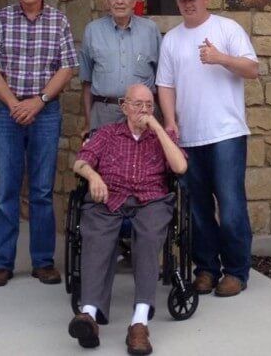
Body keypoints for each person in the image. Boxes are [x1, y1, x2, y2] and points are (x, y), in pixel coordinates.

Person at [0, 0, 78, 288]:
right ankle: (2, 263)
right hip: (8, 112)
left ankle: (43, 262)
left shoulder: (59, 21)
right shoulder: (1, 20)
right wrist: (14, 103)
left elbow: (66, 68)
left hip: (45, 112)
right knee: (6, 190)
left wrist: (39, 101)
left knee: (42, 191)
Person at [156, 0, 259, 298]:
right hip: (189, 138)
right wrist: (170, 121)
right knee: (197, 210)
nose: (188, 3)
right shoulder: (171, 39)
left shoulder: (227, 29)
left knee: (230, 206)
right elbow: (165, 85)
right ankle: (206, 269)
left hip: (226, 133)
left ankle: (236, 271)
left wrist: (220, 58)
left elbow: (252, 69)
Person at [68, 83, 187, 354]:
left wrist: (157, 128)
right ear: (123, 106)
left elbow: (180, 167)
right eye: (137, 104)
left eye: (148, 105)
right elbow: (79, 162)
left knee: (147, 239)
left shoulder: (162, 136)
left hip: (151, 200)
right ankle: (88, 315)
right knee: (96, 234)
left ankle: (139, 323)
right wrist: (93, 176)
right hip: (111, 197)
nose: (143, 110)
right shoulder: (107, 134)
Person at [79, 0, 162, 135]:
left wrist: (165, 121)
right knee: (104, 160)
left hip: (142, 114)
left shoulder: (150, 30)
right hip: (104, 115)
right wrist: (89, 121)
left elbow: (162, 81)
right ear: (107, 1)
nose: (120, 2)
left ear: (134, 0)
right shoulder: (92, 31)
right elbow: (87, 82)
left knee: (143, 160)